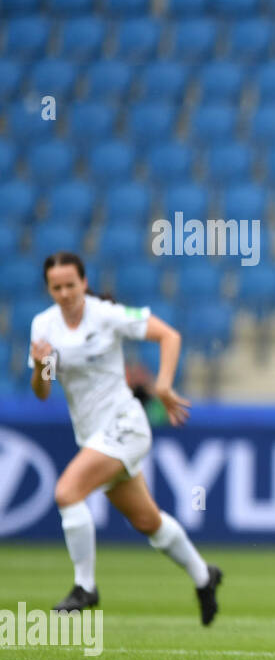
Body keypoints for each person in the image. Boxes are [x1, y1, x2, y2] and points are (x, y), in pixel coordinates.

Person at [28, 252, 223, 623]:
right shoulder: (44, 327)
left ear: (84, 283)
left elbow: (169, 335)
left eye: (71, 284)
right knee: (148, 521)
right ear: (49, 288)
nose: (66, 293)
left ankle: (85, 586)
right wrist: (40, 366)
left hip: (125, 424)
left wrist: (163, 384)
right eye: (57, 287)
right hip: (92, 435)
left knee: (67, 493)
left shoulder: (107, 315)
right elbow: (42, 390)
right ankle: (204, 576)